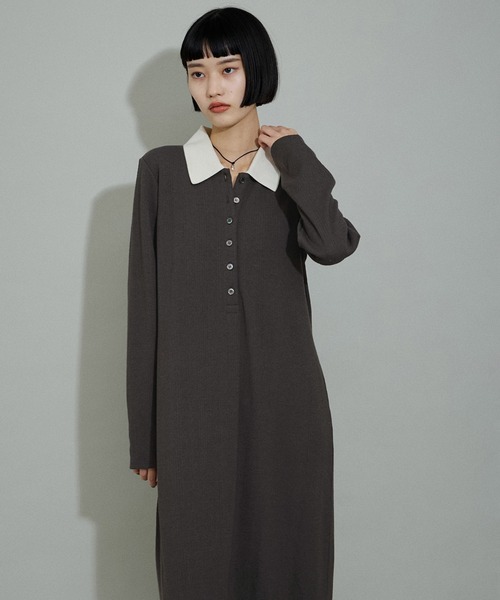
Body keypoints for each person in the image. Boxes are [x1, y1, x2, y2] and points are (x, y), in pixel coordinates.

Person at [127, 6, 360, 600]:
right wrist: (146, 436)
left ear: (256, 70)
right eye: (197, 73)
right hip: (190, 410)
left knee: (289, 562)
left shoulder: (290, 173)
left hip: (288, 406)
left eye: (227, 69)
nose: (213, 87)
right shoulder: (161, 172)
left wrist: (298, 159)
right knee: (196, 565)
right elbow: (143, 310)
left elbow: (334, 246)